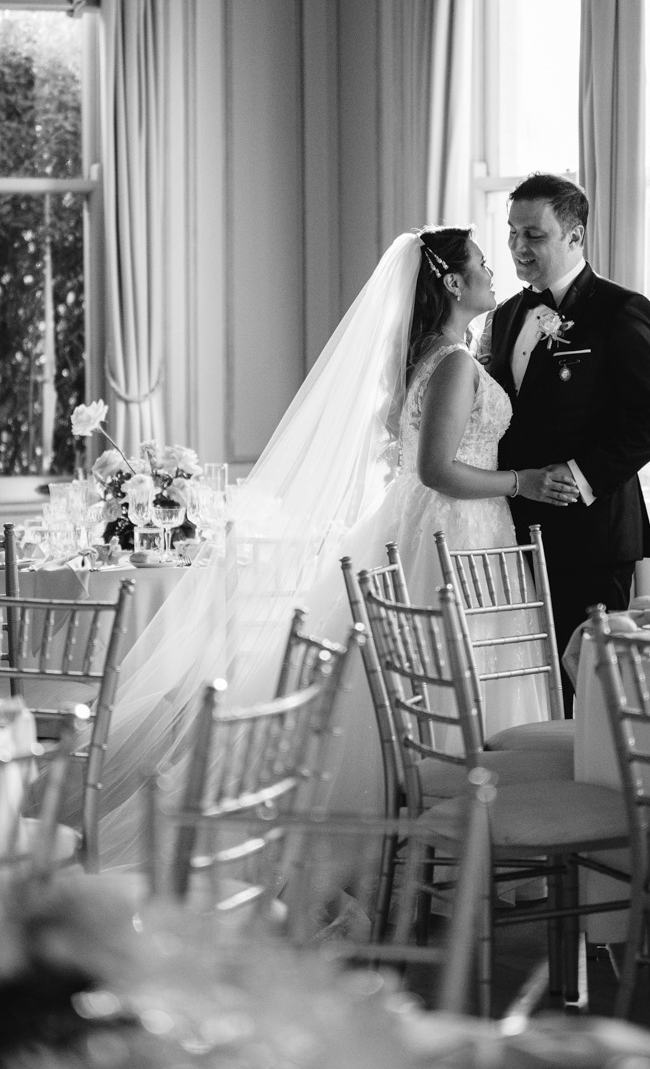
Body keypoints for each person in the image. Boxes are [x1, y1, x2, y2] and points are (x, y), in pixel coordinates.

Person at [87, 228, 572, 868]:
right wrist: (524, 481)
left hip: (443, 525)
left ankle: (446, 844)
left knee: (441, 678)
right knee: (458, 674)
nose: (493, 270)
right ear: (453, 283)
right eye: (482, 262)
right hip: (456, 526)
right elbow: (436, 469)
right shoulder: (453, 364)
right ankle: (470, 847)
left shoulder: (433, 355)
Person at [482, 173, 650, 679]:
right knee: (538, 678)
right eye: (512, 232)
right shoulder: (507, 314)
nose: (518, 247)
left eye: (534, 234)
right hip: (513, 527)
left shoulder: (620, 310)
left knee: (595, 684)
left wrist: (579, 475)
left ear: (574, 237)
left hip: (591, 536)